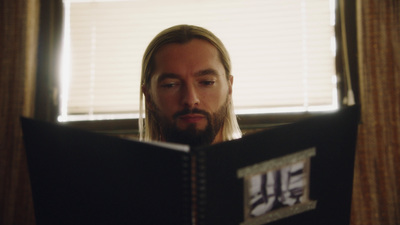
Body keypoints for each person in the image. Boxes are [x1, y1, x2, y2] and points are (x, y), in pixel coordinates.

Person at [139, 24, 242, 147]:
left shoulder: (263, 164)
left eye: (207, 82)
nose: (191, 100)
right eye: (170, 85)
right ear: (149, 96)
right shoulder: (121, 166)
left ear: (229, 88)